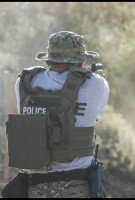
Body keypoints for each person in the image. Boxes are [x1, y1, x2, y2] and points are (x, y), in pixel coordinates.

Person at [3, 31, 110, 198]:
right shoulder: (96, 84)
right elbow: (96, 109)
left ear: (47, 60)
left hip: (34, 188)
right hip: (76, 187)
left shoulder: (24, 83)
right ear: (80, 62)